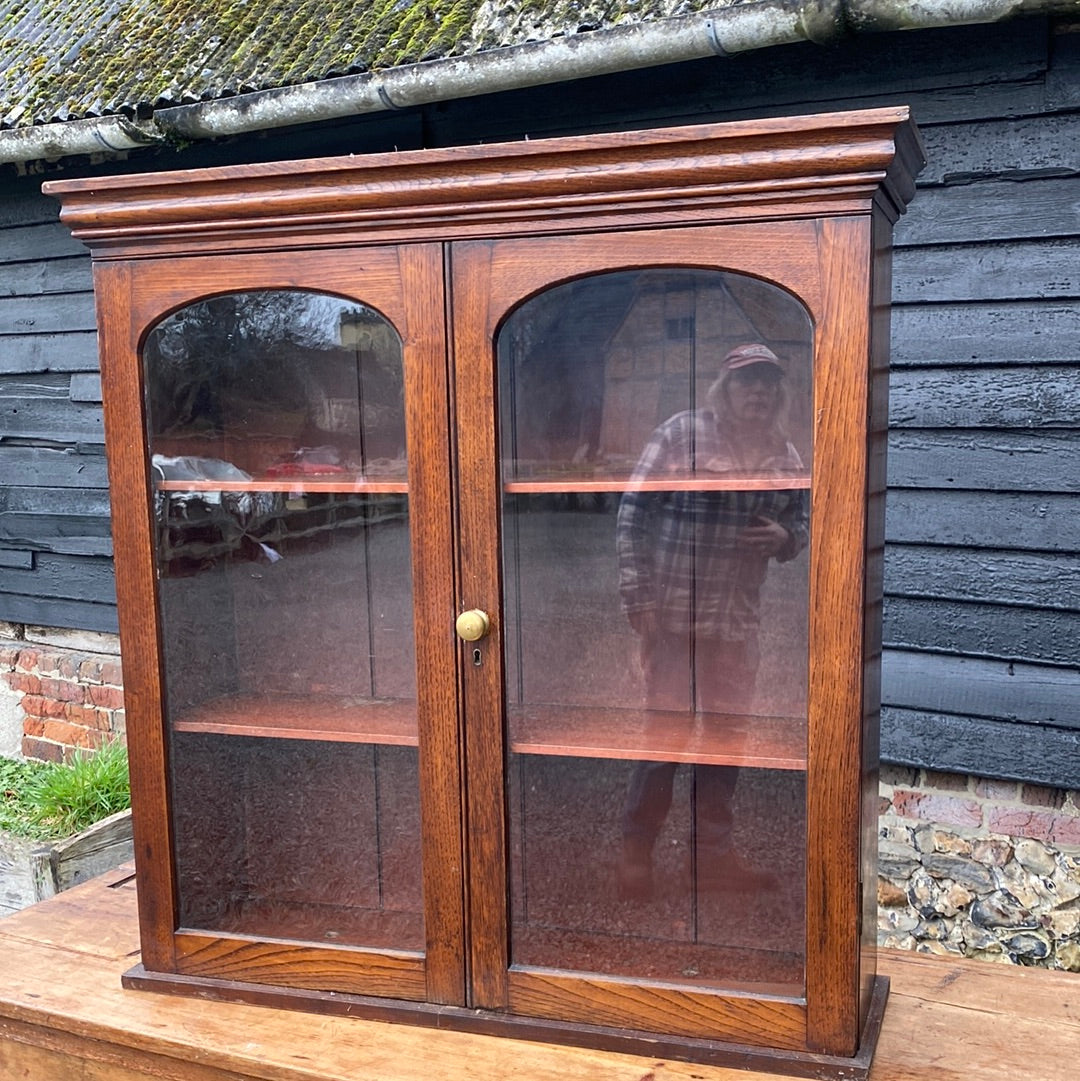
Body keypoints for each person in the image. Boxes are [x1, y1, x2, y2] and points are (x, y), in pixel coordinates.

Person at [615, 342, 809, 899]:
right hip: (672, 623)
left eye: (769, 383)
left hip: (735, 629)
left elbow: (805, 518)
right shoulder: (681, 435)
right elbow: (631, 516)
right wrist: (640, 603)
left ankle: (712, 859)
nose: (759, 392)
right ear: (724, 389)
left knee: (725, 745)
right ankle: (637, 853)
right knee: (665, 741)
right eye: (748, 382)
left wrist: (786, 538)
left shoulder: (784, 454)